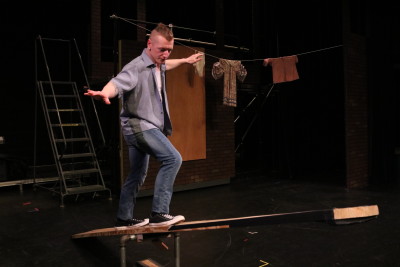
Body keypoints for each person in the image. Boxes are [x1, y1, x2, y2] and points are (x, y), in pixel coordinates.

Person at [84, 23, 203, 227]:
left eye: (169, 50)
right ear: (149, 44)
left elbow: (168, 64)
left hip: (138, 128)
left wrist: (185, 60)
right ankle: (159, 213)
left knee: (137, 174)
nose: (165, 54)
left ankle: (124, 217)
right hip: (141, 126)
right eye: (161, 50)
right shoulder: (136, 67)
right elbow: (118, 82)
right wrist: (105, 92)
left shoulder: (158, 63)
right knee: (173, 159)